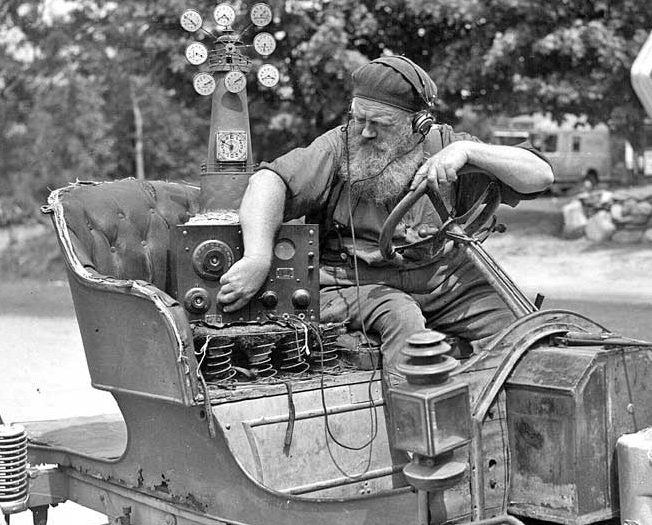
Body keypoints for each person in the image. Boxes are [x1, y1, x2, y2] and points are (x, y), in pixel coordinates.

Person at [217, 55, 555, 379]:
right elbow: (267, 182)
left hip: (445, 283)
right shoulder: (339, 145)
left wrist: (467, 152)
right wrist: (257, 256)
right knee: (404, 322)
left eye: (379, 124)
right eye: (358, 118)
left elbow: (540, 176)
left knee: (528, 331)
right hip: (358, 283)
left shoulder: (448, 147)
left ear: (418, 125)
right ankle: (414, 433)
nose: (364, 132)